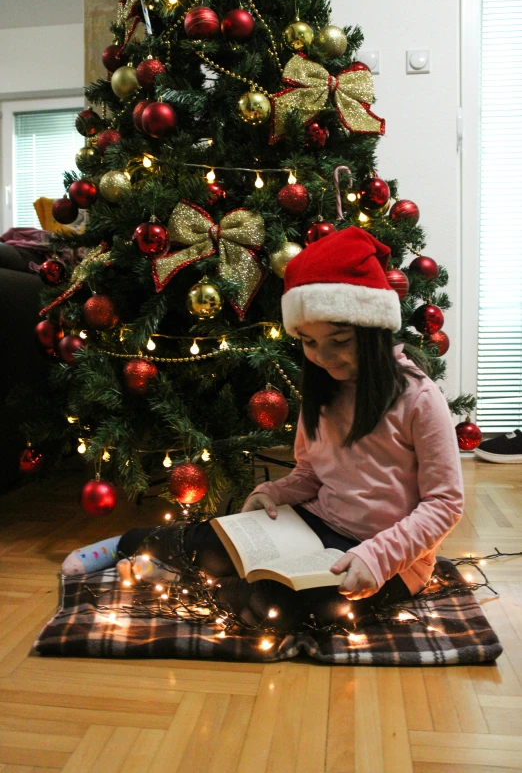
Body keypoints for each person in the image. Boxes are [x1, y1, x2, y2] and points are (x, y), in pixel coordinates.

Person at [61, 226, 464, 631]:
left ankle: (204, 584)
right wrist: (273, 493)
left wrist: (377, 557)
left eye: (339, 341)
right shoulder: (322, 391)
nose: (323, 357)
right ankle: (126, 545)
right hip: (316, 525)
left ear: (373, 329)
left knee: (283, 609)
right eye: (308, 342)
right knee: (207, 542)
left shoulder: (418, 397)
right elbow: (311, 472)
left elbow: (445, 503)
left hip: (391, 559)